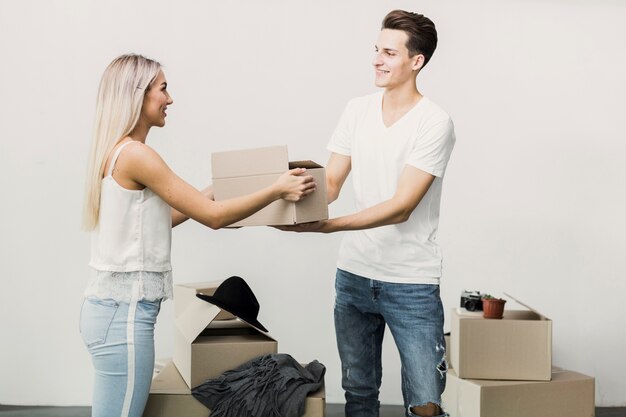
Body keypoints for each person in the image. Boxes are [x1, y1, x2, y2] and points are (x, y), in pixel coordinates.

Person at [79, 54, 315, 417]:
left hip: (112, 315)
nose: (170, 99)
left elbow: (163, 219)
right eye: (163, 88)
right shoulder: (139, 155)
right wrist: (276, 189)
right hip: (123, 320)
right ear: (138, 95)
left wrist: (217, 188)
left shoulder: (117, 151)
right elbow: (214, 219)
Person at [278, 10, 455, 417]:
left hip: (410, 281)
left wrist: (325, 228)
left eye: (389, 52)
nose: (377, 59)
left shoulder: (434, 123)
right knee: (358, 392)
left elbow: (401, 206)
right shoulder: (357, 110)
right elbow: (333, 184)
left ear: (416, 61)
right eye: (376, 49)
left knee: (425, 401)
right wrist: (280, 192)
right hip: (354, 275)